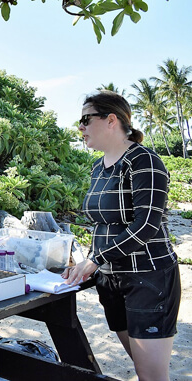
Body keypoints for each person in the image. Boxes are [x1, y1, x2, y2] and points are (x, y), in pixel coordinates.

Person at [63, 90, 181, 381]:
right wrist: (84, 260)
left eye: (86, 119)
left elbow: (146, 226)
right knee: (142, 368)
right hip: (110, 280)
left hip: (148, 277)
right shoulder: (97, 166)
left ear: (111, 120)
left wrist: (96, 259)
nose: (80, 127)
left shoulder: (143, 161)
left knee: (151, 376)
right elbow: (101, 224)